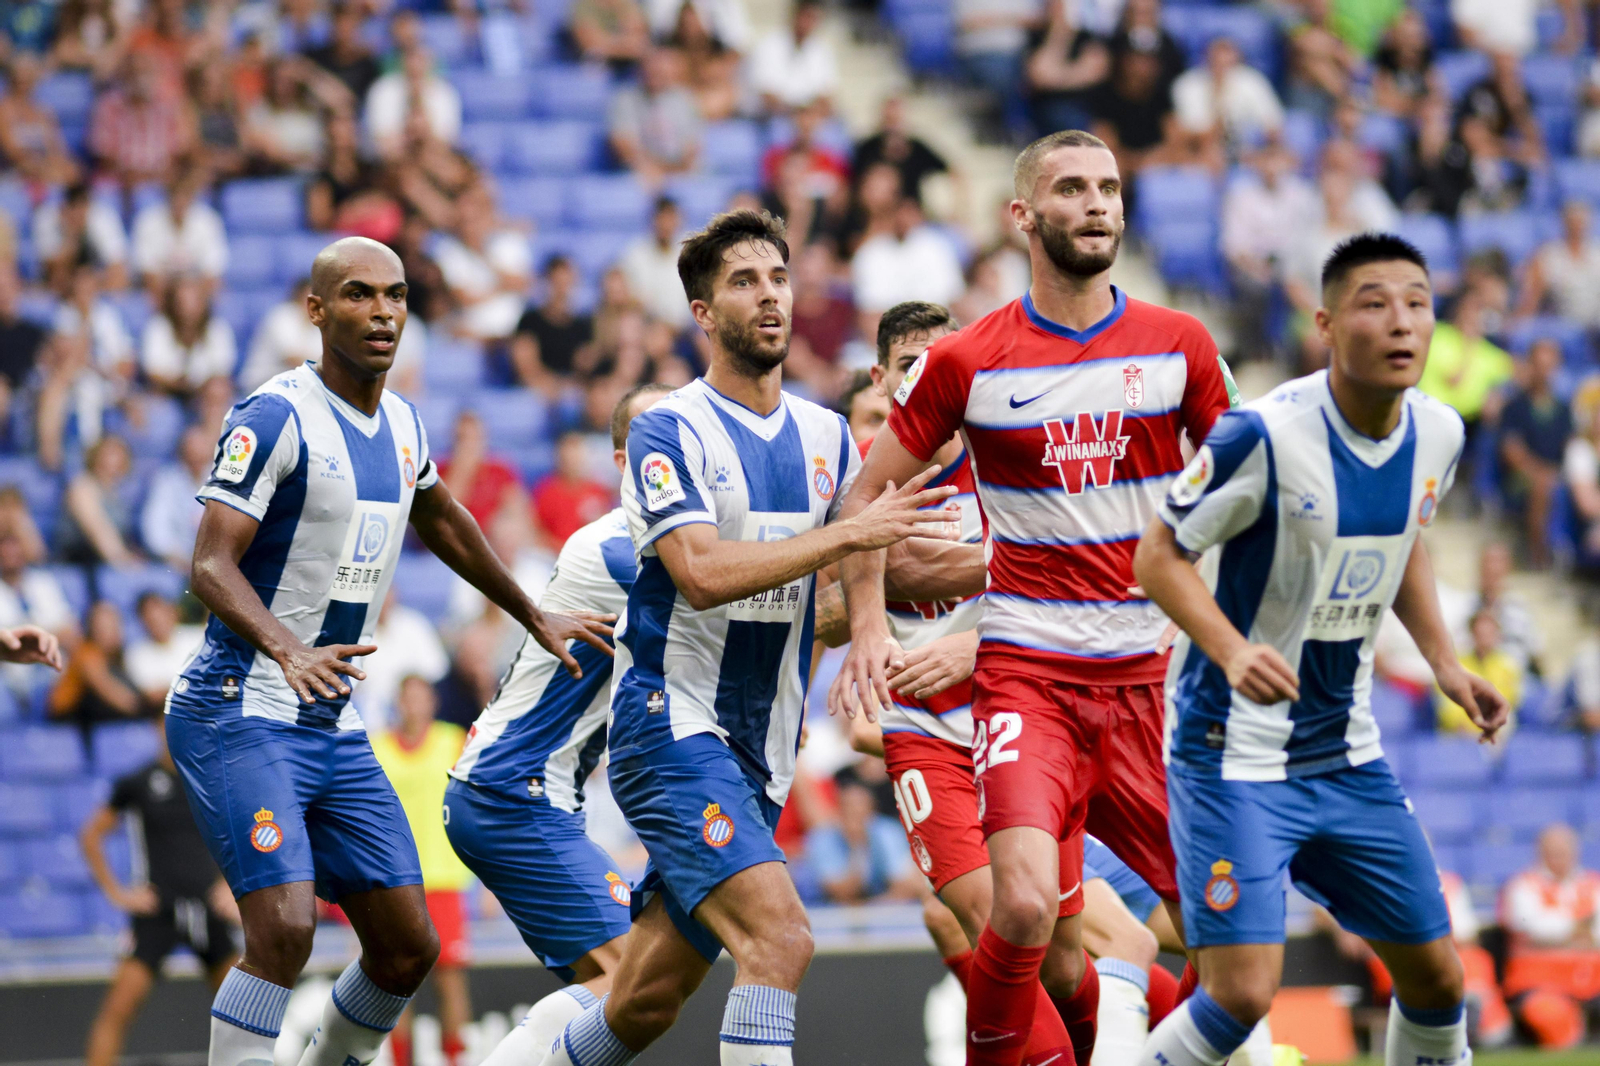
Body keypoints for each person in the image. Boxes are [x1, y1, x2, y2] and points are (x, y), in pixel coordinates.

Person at [831, 130, 1234, 1066]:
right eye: (1071, 188)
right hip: (1030, 682)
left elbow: (1242, 494)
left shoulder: (1180, 346)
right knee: (1011, 908)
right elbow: (861, 501)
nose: (1096, 204)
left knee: (1226, 936)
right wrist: (862, 632)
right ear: (1023, 216)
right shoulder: (971, 363)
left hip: (1148, 682)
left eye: (1109, 188)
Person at [163, 236, 613, 1066]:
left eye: (396, 296)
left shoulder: (402, 422)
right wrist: (288, 648)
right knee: (287, 929)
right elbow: (209, 563)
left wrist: (534, 611)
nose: (382, 313)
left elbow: (441, 518)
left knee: (408, 948)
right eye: (361, 295)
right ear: (316, 310)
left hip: (328, 724)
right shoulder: (275, 416)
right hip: (239, 706)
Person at [543, 208, 961, 1066]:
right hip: (672, 727)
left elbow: (879, 559)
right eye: (744, 281)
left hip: (761, 748)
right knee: (782, 939)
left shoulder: (825, 434)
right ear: (703, 311)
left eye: (778, 278)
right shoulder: (670, 429)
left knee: (645, 1000)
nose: (769, 296)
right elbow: (698, 572)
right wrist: (848, 537)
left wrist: (1039, 567)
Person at [1130, 232, 1508, 1066]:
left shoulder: (1439, 432)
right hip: (1230, 752)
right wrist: (1229, 650)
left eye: (1418, 303)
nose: (1402, 322)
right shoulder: (1259, 435)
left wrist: (1446, 664)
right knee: (1239, 994)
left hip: (1345, 752)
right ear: (1326, 324)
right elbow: (1157, 556)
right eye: (1375, 303)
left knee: (1441, 982)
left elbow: (1406, 531)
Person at [445, 383, 671, 1065]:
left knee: (616, 992)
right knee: (641, 979)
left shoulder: (666, 546)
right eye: (654, 439)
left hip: (529, 795)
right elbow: (732, 602)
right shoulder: (619, 548)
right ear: (621, 457)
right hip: (512, 792)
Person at [81, 721, 240, 1066]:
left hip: (208, 910)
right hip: (157, 913)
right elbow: (92, 834)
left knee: (242, 1015)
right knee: (117, 1012)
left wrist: (231, 886)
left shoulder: (213, 781)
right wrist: (117, 893)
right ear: (158, 730)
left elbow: (245, 834)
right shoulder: (137, 783)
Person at [370, 675, 473, 1066]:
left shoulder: (453, 741)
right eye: (407, 697)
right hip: (396, 881)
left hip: (444, 878)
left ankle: (456, 1059)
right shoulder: (379, 747)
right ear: (398, 702)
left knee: (450, 978)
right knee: (398, 982)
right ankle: (399, 1061)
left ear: (432, 701)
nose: (414, 705)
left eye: (420, 697)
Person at [1502, 823, 1600, 1046]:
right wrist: (1576, 928)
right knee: (1550, 1017)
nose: (1559, 857)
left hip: (1592, 979)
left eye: (1564, 851)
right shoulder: (1522, 885)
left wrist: (1559, 931)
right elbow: (1530, 927)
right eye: (1552, 851)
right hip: (1539, 983)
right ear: (1540, 852)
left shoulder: (1593, 883)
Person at [805, 765, 922, 903]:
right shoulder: (822, 838)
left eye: (861, 811)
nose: (856, 818)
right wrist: (857, 847)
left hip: (884, 912)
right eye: (849, 811)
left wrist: (873, 910)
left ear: (872, 810)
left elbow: (905, 886)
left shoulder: (888, 831)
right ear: (838, 810)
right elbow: (840, 893)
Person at [129, 166, 229, 296]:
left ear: (193, 196)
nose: (180, 202)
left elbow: (212, 273)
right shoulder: (147, 221)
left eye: (185, 195)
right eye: (175, 195)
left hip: (195, 294)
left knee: (220, 290)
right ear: (167, 196)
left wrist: (191, 302)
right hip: (159, 295)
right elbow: (148, 273)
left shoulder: (209, 222)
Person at [141, 274, 238, 398]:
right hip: (166, 394)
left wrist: (199, 386)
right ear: (173, 303)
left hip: (205, 396)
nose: (188, 308)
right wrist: (180, 385)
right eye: (182, 301)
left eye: (194, 301)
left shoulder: (218, 328)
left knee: (218, 390)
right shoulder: (158, 327)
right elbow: (153, 371)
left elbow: (222, 371)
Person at [510, 255, 595, 395]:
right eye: (557, 282)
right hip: (539, 393)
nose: (562, 289)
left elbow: (586, 367)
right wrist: (555, 386)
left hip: (572, 393)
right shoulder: (530, 321)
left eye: (567, 282)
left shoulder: (583, 326)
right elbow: (525, 366)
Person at [1439, 609, 1521, 733]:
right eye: (1480, 634)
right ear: (1472, 634)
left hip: (1494, 732)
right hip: (1459, 733)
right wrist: (1465, 726)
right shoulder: (1456, 665)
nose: (1484, 639)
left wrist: (1487, 727)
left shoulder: (1508, 666)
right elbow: (1448, 707)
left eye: (1489, 634)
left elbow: (1507, 705)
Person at [748, 0, 836, 114]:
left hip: (807, 120)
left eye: (814, 19)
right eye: (806, 16)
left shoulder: (822, 50)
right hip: (772, 118)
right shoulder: (769, 45)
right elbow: (767, 97)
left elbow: (827, 97)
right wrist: (797, 113)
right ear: (795, 15)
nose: (809, 23)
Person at [533, 430, 616, 549]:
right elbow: (538, 532)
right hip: (554, 556)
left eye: (576, 453)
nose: (572, 459)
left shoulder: (598, 490)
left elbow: (607, 530)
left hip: (590, 554)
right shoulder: (546, 491)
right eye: (568, 454)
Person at [620, 196, 691, 330]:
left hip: (686, 330)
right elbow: (628, 296)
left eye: (670, 218)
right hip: (649, 328)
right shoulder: (636, 254)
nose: (666, 224)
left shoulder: (690, 252)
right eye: (661, 218)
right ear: (653, 220)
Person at [125, 591, 203, 708]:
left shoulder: (199, 636)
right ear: (143, 622)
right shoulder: (136, 654)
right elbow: (154, 696)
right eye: (151, 620)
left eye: (161, 615)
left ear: (172, 611)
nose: (158, 623)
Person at [241, 278, 321, 392]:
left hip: (292, 387)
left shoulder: (318, 325)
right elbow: (292, 359)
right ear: (298, 296)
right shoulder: (282, 316)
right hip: (261, 387)